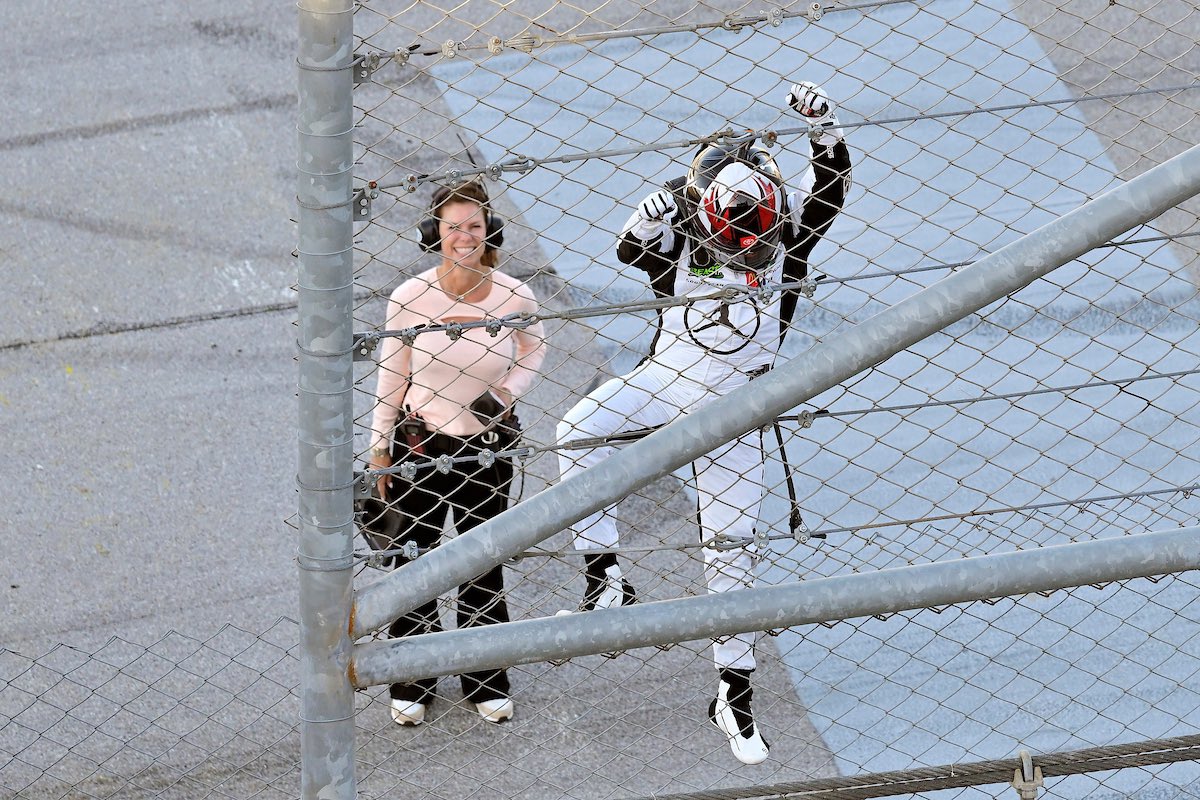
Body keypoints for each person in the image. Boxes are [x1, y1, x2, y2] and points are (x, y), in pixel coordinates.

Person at [554, 82, 852, 764]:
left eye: (762, 239)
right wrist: (639, 221)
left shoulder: (787, 226)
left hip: (736, 409)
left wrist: (824, 128)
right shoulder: (682, 224)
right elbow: (633, 255)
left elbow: (830, 188)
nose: (753, 251)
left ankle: (732, 694)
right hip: (665, 382)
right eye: (736, 239)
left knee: (731, 549)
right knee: (577, 430)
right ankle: (606, 576)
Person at [368, 179, 546, 727]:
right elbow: (391, 372)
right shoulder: (410, 297)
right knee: (415, 563)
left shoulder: (514, 295)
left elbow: (534, 347)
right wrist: (379, 449)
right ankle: (413, 679)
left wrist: (507, 393)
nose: (463, 236)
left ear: (489, 229)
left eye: (473, 225)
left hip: (487, 451)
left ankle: (485, 678)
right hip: (420, 444)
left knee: (480, 565)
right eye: (451, 226)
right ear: (433, 233)